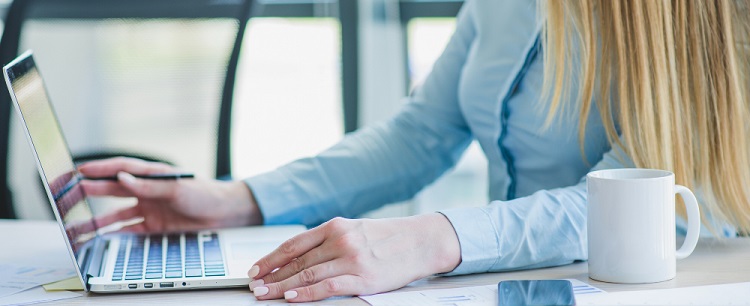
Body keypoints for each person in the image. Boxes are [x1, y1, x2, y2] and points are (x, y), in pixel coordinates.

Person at [78, 0, 750, 302]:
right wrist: (237, 200)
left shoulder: (691, 16)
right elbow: (422, 133)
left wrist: (430, 241)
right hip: (513, 291)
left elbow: (639, 202)